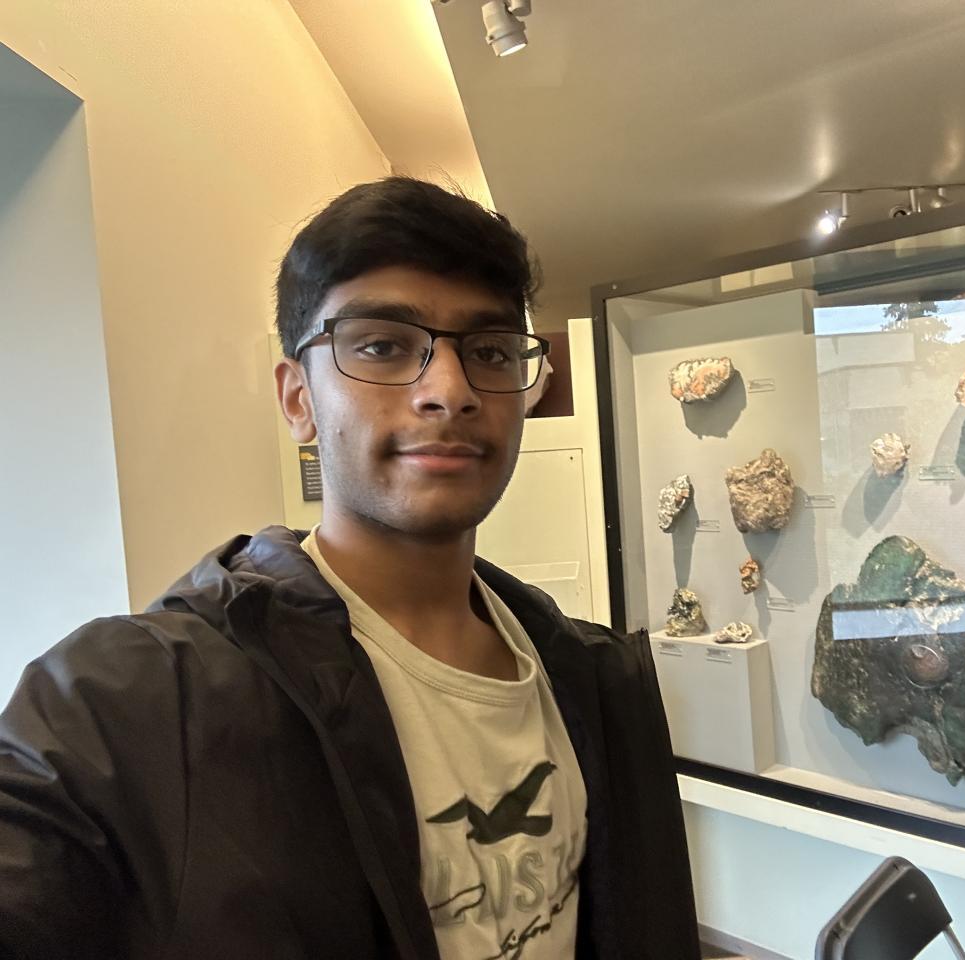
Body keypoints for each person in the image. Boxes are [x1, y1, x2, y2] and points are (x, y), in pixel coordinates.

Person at [0, 178, 699, 959]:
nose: (450, 391)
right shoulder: (134, 701)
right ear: (298, 397)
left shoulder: (592, 676)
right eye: (382, 346)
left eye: (490, 352)